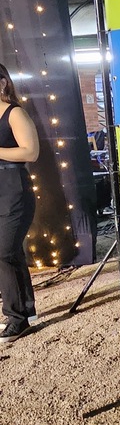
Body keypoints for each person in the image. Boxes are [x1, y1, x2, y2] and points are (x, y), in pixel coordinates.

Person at [0, 63, 40, 343]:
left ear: (2, 83)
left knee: (3, 251)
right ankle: (26, 310)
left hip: (14, 189)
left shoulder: (14, 113)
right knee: (11, 253)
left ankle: (16, 318)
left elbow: (31, 152)